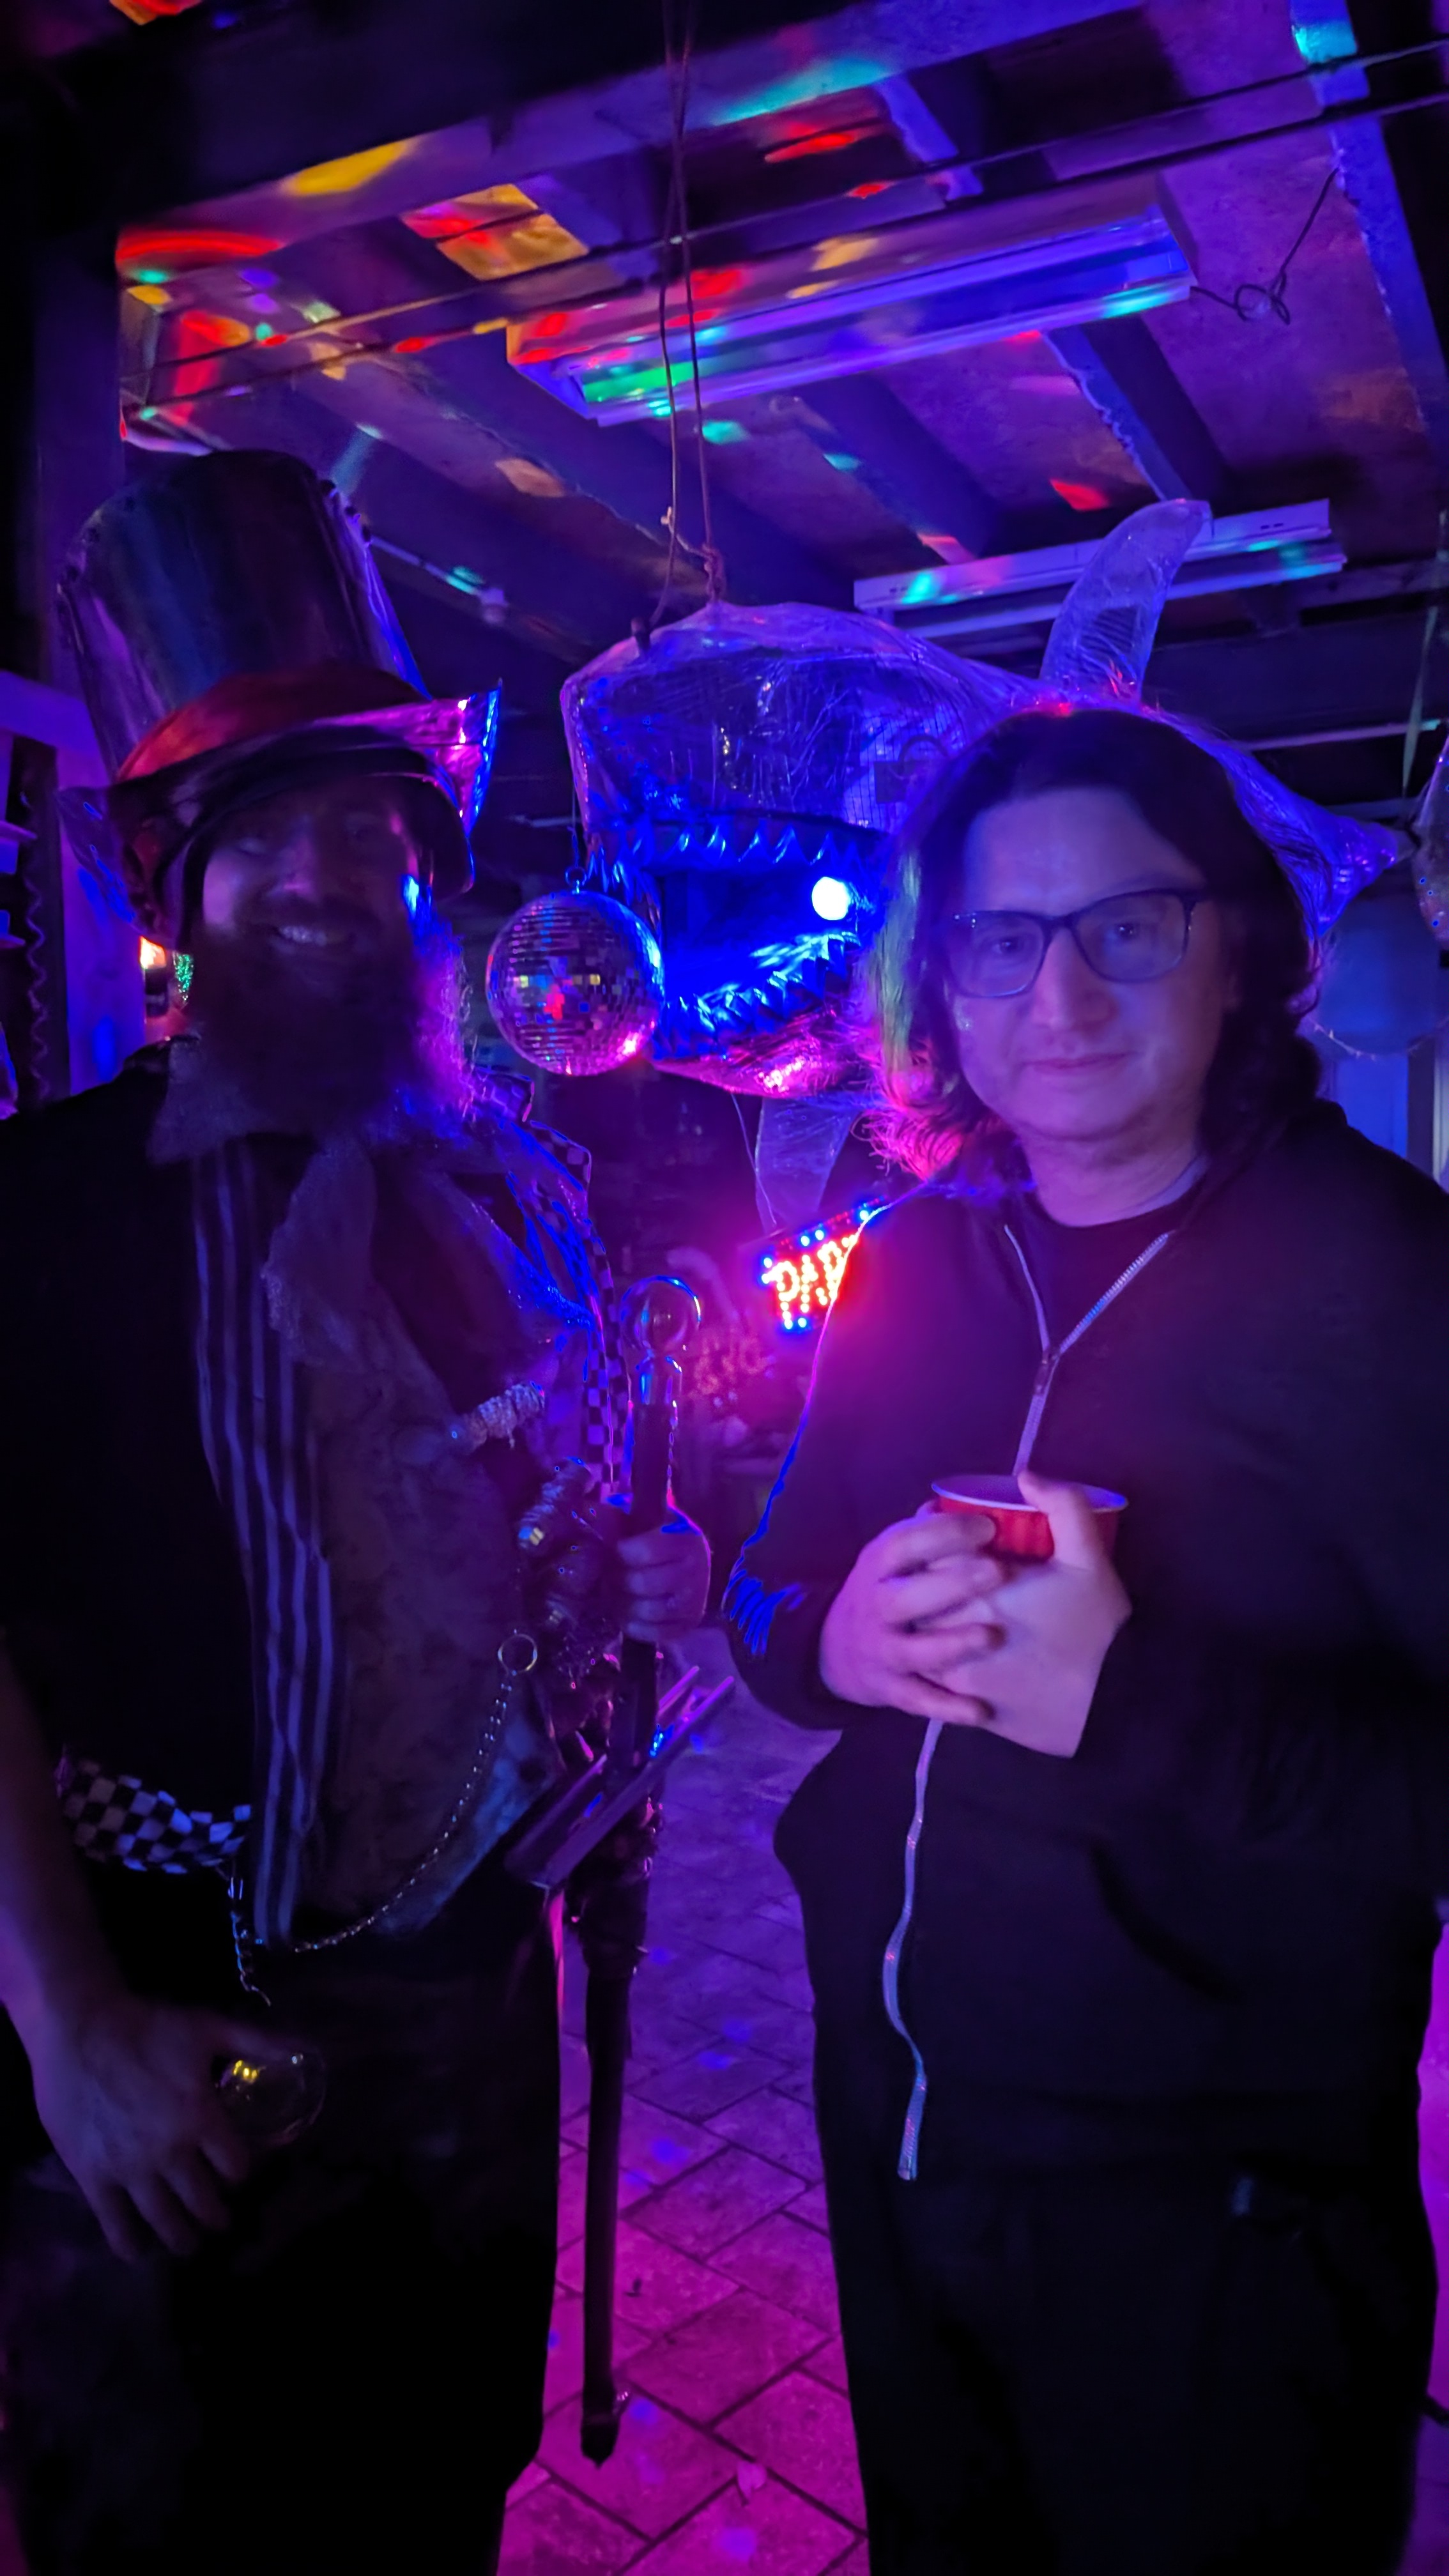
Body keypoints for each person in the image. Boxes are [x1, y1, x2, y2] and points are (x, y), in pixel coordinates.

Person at [0, 450, 709, 2576]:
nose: (328, 870)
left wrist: (633, 1576)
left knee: (428, 2498)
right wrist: (68, 2027)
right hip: (169, 2031)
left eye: (373, 825)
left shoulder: (517, 1192)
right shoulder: (40, 1210)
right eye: (265, 827)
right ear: (176, 880)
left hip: (470, 2029)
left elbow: (560, 1514)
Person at [726, 705, 1449, 2576]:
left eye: (1127, 925)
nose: (1059, 996)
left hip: (1220, 2226)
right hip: (898, 2135)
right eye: (1001, 939)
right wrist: (827, 1644)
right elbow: (766, 1589)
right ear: (945, 987)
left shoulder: (1386, 1280)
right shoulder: (910, 1263)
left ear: (1237, 952)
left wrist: (1127, 1699)